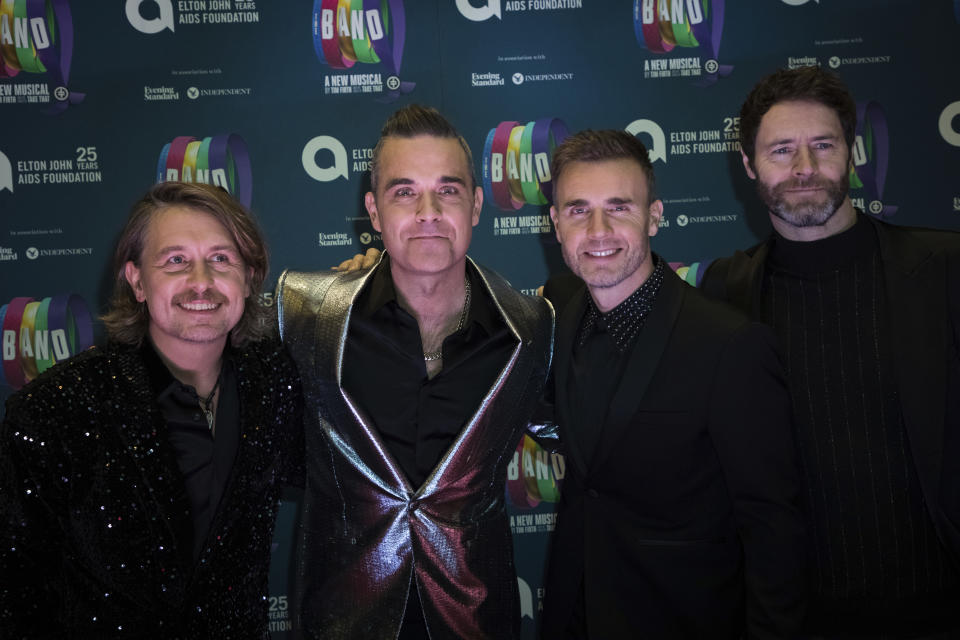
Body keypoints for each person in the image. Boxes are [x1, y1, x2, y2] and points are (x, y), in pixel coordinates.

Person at [701, 65, 960, 639]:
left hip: (939, 605)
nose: (804, 169)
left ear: (851, 152)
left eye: (823, 145)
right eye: (781, 150)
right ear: (748, 166)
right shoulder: (725, 290)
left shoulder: (943, 270)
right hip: (793, 615)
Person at [276, 105, 554, 639]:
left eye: (448, 190)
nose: (428, 211)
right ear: (374, 212)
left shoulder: (531, 328)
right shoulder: (305, 313)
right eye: (404, 192)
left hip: (477, 620)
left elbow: (592, 437)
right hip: (343, 621)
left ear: (476, 205)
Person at [0, 182, 302, 638]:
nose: (201, 281)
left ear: (249, 277)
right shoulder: (53, 411)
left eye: (221, 259)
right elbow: (15, 594)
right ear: (137, 280)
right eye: (175, 260)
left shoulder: (277, 382)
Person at [541, 129, 806, 639]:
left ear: (655, 216)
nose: (598, 230)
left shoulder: (729, 346)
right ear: (555, 223)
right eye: (578, 210)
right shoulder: (558, 310)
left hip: (685, 619)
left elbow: (773, 528)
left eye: (619, 207)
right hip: (577, 613)